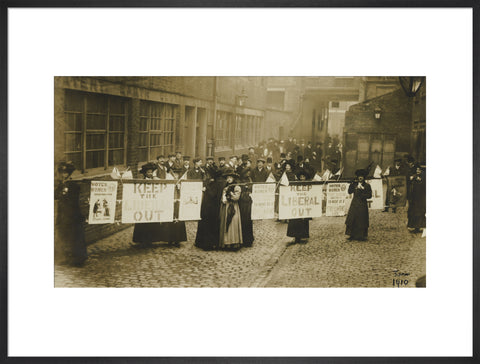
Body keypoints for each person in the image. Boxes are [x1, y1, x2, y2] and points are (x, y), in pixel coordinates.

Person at [54, 161, 88, 267]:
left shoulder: (73, 185)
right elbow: (55, 195)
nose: (63, 175)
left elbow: (73, 200)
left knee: (75, 237)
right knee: (65, 236)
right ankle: (65, 257)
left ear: (69, 174)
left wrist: (63, 193)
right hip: (64, 214)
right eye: (62, 173)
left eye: (66, 173)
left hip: (73, 215)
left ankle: (78, 258)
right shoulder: (62, 184)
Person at [132, 163, 165, 247]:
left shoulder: (155, 180)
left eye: (151, 172)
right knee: (143, 223)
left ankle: (151, 239)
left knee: (152, 222)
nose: (150, 174)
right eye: (148, 172)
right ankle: (142, 239)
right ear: (145, 173)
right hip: (144, 205)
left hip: (153, 204)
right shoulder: (141, 181)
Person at [195, 168, 222, 251]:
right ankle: (201, 242)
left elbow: (213, 195)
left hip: (211, 209)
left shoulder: (215, 184)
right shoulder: (210, 183)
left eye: (208, 175)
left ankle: (209, 244)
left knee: (209, 226)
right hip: (207, 208)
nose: (207, 176)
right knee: (205, 225)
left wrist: (206, 188)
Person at [218, 170, 243, 250]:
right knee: (225, 223)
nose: (228, 179)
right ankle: (226, 242)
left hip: (233, 207)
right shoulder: (225, 187)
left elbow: (236, 198)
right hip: (226, 207)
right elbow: (222, 198)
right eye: (227, 178)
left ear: (233, 178)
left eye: (230, 178)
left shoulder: (237, 187)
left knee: (233, 223)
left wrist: (231, 194)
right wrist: (224, 199)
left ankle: (234, 242)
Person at [345, 169, 372, 241]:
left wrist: (362, 192)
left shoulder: (367, 186)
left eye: (362, 176)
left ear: (364, 178)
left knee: (361, 219)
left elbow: (369, 195)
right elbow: (349, 192)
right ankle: (352, 234)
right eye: (359, 176)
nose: (360, 178)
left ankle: (361, 235)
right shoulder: (355, 184)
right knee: (352, 219)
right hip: (354, 203)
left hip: (362, 204)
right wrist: (351, 184)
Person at [286, 170, 312, 244]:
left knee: (303, 222)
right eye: (301, 177)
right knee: (296, 222)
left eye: (303, 177)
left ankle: (303, 235)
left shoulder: (307, 185)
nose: (302, 178)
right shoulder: (296, 184)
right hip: (296, 206)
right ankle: (296, 236)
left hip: (304, 205)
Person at [407, 164, 426, 233]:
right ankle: (414, 226)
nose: (418, 171)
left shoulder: (424, 177)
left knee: (420, 213)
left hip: (421, 198)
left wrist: (420, 181)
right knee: (413, 213)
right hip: (414, 198)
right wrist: (411, 179)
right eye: (417, 170)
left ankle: (419, 226)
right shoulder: (415, 176)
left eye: (419, 170)